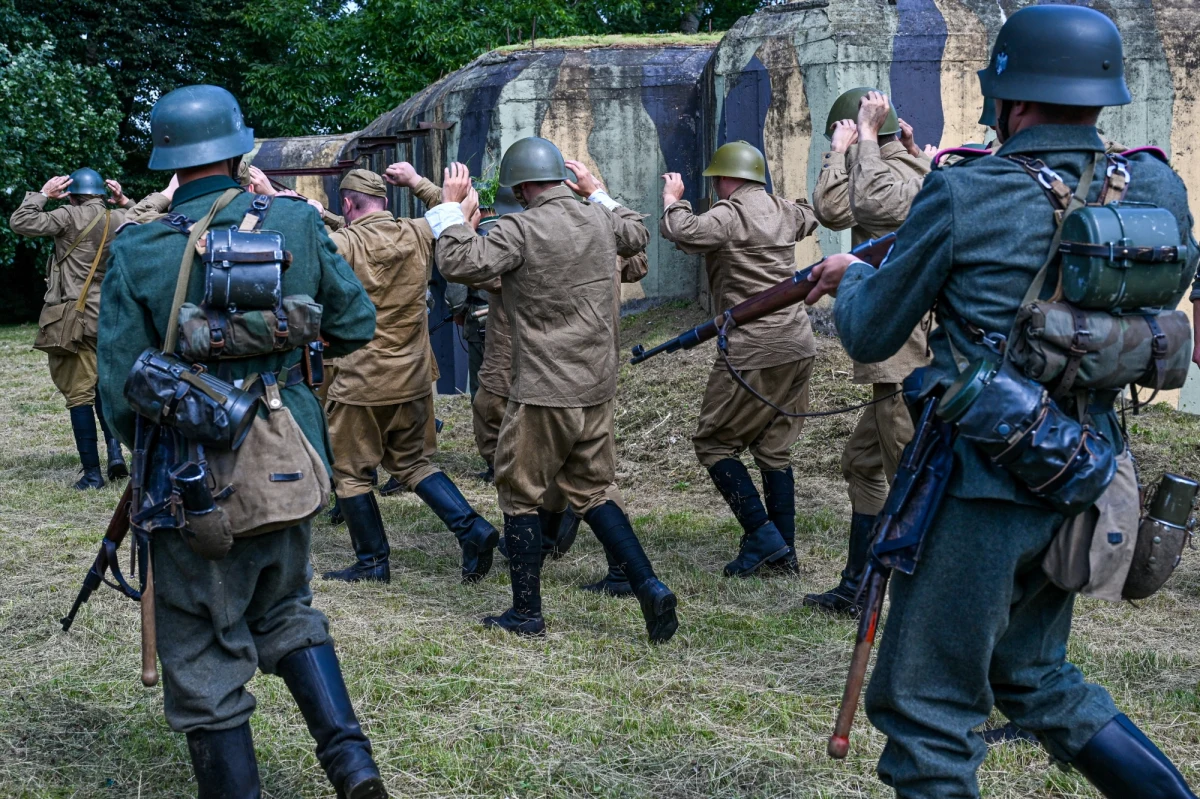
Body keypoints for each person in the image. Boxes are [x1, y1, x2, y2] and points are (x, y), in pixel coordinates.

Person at [803, 7, 1199, 796]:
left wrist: (857, 276)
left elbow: (874, 331)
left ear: (1010, 97)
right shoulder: (1153, 182)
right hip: (1087, 469)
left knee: (927, 708)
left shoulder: (965, 190)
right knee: (1032, 672)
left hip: (979, 481)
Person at [96, 84, 387, 799]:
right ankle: (355, 770)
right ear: (237, 151)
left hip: (190, 482)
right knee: (286, 608)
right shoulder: (293, 221)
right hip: (290, 460)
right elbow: (356, 326)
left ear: (170, 160)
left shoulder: (138, 247)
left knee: (200, 652)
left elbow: (116, 394)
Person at [431, 138, 678, 642]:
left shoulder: (521, 227)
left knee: (519, 492)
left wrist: (450, 208)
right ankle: (649, 586)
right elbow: (637, 231)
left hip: (545, 387)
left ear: (521, 188)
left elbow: (459, 263)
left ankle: (526, 613)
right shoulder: (598, 218)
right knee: (591, 489)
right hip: (595, 383)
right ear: (563, 178)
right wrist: (598, 191)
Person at [303, 163, 499, 585]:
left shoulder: (340, 243)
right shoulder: (418, 231)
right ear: (385, 202)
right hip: (412, 375)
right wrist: (420, 183)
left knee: (351, 472)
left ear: (348, 204)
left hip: (361, 380)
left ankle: (373, 562)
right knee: (414, 463)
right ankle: (473, 529)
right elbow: (462, 211)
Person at [659, 140, 820, 578]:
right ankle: (784, 555)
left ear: (725, 180)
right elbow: (811, 212)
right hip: (798, 344)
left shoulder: (729, 214)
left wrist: (674, 201)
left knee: (713, 443)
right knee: (774, 449)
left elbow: (684, 231)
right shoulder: (783, 209)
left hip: (754, 348)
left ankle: (764, 537)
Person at [808, 89, 933, 615]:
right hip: (904, 348)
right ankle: (857, 584)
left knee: (911, 475)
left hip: (901, 352)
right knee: (862, 461)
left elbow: (831, 209)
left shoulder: (881, 168)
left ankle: (921, 596)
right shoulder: (913, 164)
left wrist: (843, 147)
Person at [10, 167, 129, 488]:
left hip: (72, 321)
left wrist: (43, 195)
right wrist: (124, 202)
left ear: (72, 194)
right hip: (107, 319)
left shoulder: (67, 215)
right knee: (103, 389)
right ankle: (115, 454)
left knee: (79, 395)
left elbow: (20, 222)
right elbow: (153, 222)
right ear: (102, 194)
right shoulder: (117, 219)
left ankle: (92, 474)